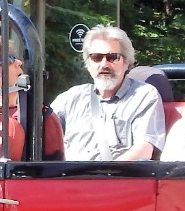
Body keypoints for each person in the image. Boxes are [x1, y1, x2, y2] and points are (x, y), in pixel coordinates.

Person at [50, 25, 165, 160]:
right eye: (96, 57)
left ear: (126, 62)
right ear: (88, 64)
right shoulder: (71, 98)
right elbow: (42, 134)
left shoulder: (143, 96)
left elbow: (144, 150)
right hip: (67, 172)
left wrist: (104, 172)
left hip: (119, 173)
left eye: (112, 57)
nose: (104, 64)